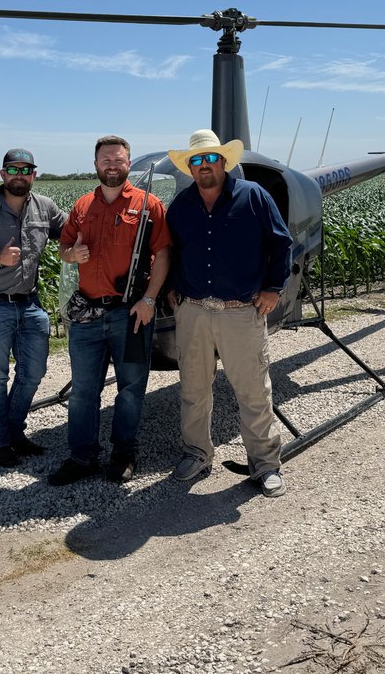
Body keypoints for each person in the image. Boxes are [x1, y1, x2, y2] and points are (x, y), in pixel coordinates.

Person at [164, 129, 294, 497]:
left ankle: (265, 464)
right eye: (196, 161)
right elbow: (170, 250)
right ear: (189, 167)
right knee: (192, 387)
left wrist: (273, 288)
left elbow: (280, 243)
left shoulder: (253, 196)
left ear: (223, 161)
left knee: (253, 389)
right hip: (193, 311)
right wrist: (173, 286)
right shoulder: (182, 206)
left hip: (240, 311)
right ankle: (197, 453)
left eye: (210, 159)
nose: (204, 166)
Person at [48, 135, 172, 485]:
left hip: (130, 314)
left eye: (118, 160)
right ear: (96, 165)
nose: (112, 166)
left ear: (128, 164)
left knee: (131, 388)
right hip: (87, 315)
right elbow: (64, 248)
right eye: (106, 160)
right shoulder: (83, 205)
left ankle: (123, 454)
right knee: (84, 392)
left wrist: (148, 300)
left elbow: (163, 254)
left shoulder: (149, 205)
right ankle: (82, 457)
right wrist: (72, 255)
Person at [0, 148, 67, 467]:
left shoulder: (45, 207)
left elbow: (71, 232)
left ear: (34, 175)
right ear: (3, 174)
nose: (20, 176)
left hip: (29, 304)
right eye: (13, 170)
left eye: (26, 170)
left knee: (33, 372)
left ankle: (14, 431)